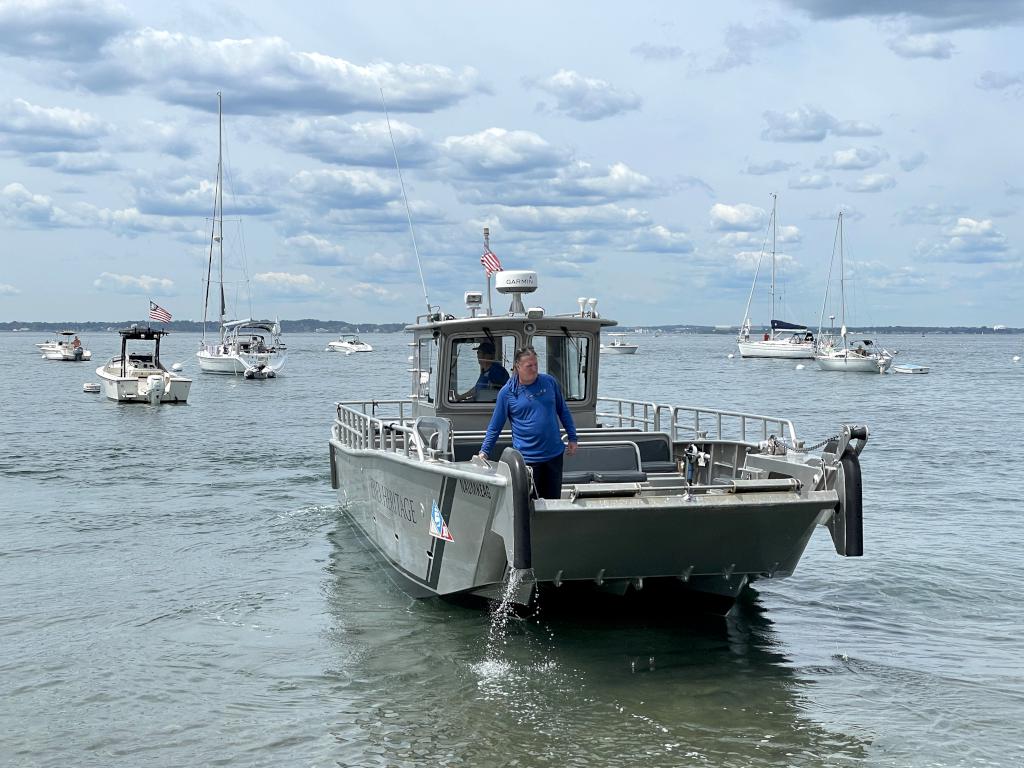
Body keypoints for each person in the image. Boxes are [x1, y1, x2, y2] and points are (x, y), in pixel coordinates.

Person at [478, 346, 577, 499]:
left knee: (553, 502)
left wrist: (572, 437)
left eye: (536, 364)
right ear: (518, 366)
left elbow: (563, 410)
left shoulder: (549, 382)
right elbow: (495, 426)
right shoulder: (507, 392)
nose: (534, 368)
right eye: (529, 366)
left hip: (554, 456)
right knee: (529, 506)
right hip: (528, 460)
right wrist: (484, 451)